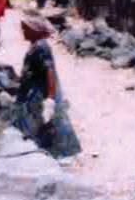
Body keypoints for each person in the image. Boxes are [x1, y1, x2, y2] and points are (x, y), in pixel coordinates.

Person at [5, 16, 81, 158]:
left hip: (41, 92)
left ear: (35, 31)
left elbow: (49, 71)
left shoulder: (41, 47)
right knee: (40, 124)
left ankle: (58, 154)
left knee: (47, 122)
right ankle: (43, 152)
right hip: (32, 90)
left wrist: (50, 99)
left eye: (25, 29)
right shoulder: (35, 45)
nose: (23, 31)